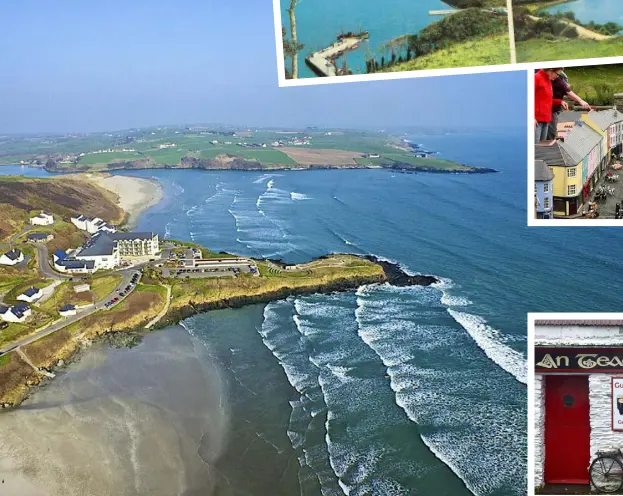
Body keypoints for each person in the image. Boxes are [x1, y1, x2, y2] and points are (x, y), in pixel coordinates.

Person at [547, 71, 591, 140]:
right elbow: (567, 91)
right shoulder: (558, 82)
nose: (566, 85)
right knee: (550, 134)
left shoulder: (558, 82)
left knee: (556, 130)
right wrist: (580, 101)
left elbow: (567, 91)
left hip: (555, 109)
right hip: (548, 110)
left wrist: (580, 101)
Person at [535, 68, 566, 143]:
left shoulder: (549, 81)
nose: (557, 77)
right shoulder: (536, 78)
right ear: (551, 70)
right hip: (537, 121)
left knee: (542, 147)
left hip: (546, 120)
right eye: (557, 74)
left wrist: (560, 101)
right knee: (535, 147)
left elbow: (546, 100)